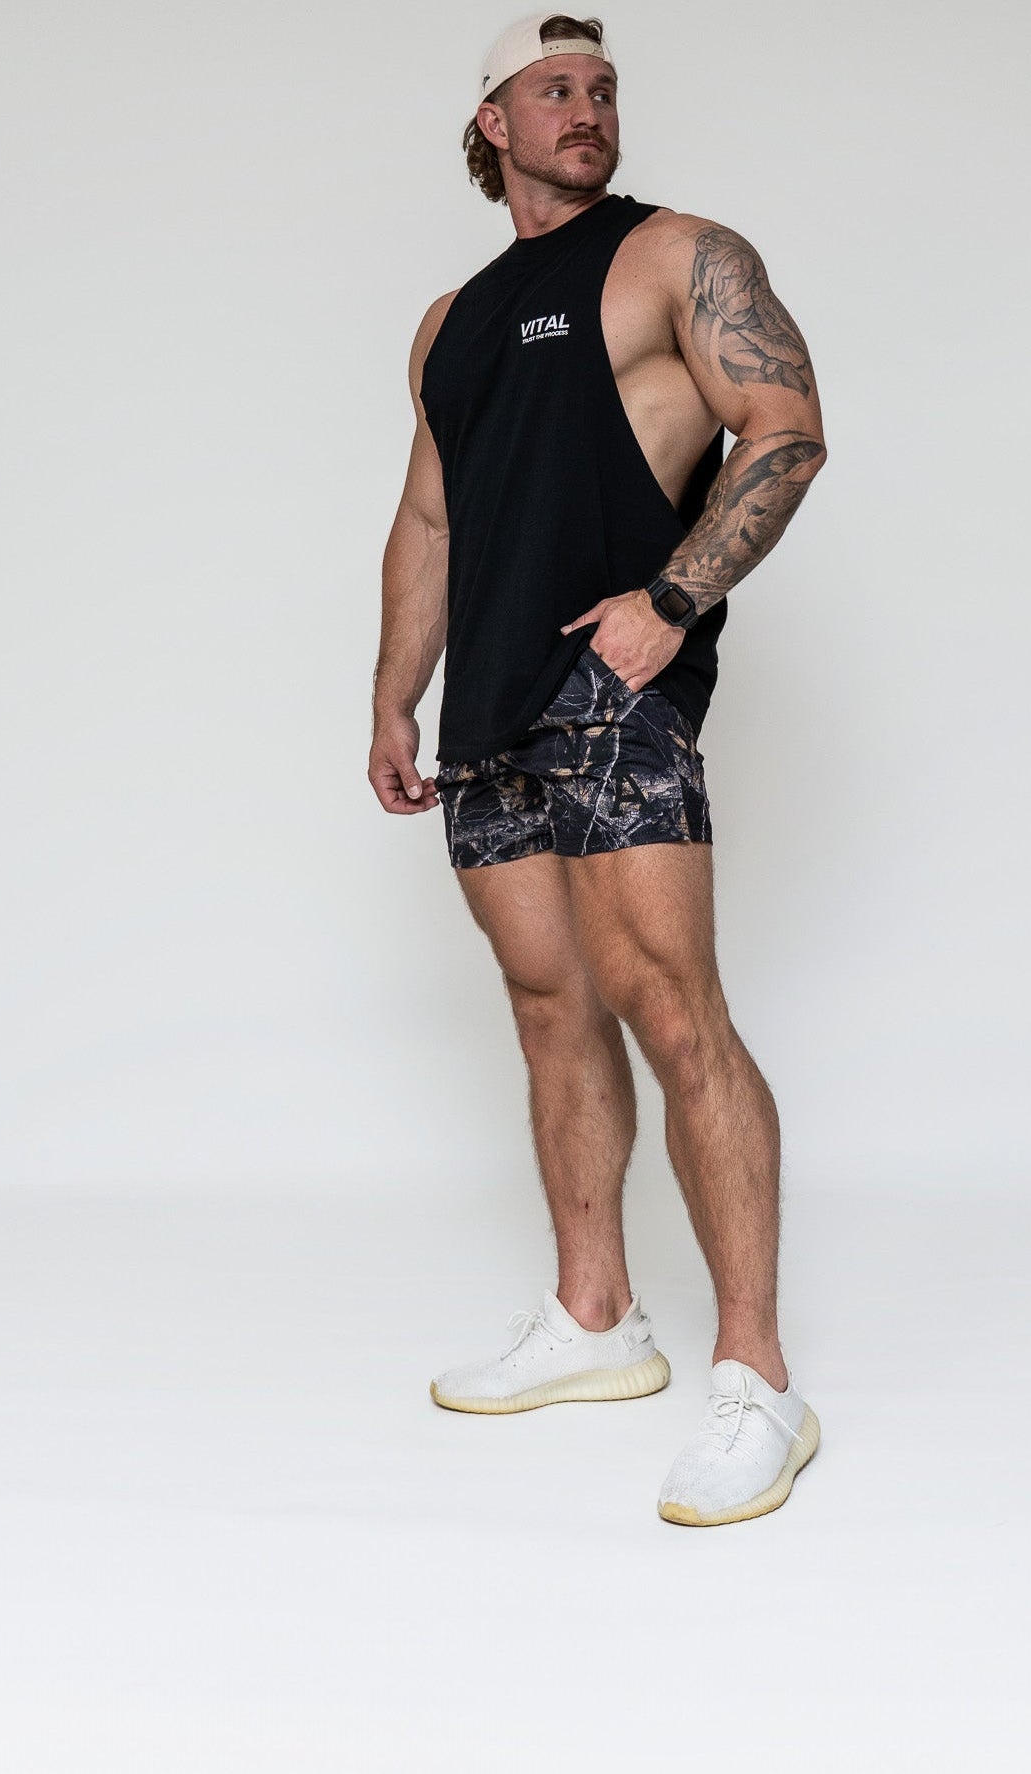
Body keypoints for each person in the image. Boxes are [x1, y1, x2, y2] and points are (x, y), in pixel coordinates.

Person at [368, 12, 829, 1526]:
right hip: (489, 709)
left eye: (604, 87)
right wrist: (394, 696)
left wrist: (672, 600)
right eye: (554, 88)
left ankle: (758, 1379)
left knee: (670, 1006)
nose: (588, 107)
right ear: (491, 124)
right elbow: (430, 517)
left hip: (610, 683)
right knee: (548, 1003)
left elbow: (784, 427)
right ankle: (594, 1319)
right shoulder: (449, 322)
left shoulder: (674, 255)